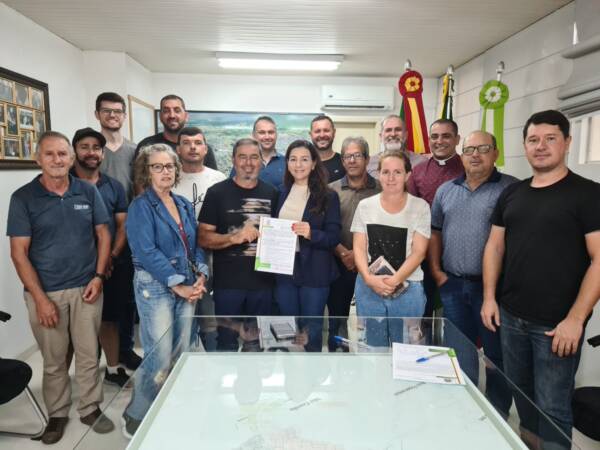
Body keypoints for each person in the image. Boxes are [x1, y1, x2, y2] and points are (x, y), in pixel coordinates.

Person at [482, 110, 600, 445]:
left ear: (567, 142)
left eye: (550, 139)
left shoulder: (588, 194)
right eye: (533, 140)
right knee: (523, 396)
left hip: (556, 325)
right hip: (511, 317)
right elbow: (494, 247)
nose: (541, 146)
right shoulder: (512, 193)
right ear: (525, 146)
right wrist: (489, 297)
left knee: (553, 407)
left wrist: (575, 319)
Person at [7, 131, 114, 444]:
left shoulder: (87, 191)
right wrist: (40, 299)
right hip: (46, 292)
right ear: (38, 159)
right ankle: (57, 413)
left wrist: (98, 277)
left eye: (62, 154)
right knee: (54, 359)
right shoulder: (23, 198)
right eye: (49, 154)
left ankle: (90, 407)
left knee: (88, 353)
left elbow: (104, 234)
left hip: (87, 288)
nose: (57, 160)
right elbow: (18, 253)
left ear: (71, 158)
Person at [122, 143, 208, 438]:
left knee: (182, 350)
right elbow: (145, 251)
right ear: (146, 172)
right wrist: (178, 285)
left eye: (169, 166)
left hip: (187, 283)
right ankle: (137, 413)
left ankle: (171, 404)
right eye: (157, 167)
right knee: (158, 355)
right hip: (155, 287)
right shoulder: (140, 207)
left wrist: (201, 275)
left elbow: (195, 245)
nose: (165, 172)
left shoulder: (182, 203)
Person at [429, 130, 517, 415]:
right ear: (461, 155)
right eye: (469, 150)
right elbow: (435, 233)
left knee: (496, 355)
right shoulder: (446, 191)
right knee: (458, 350)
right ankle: (463, 408)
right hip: (453, 284)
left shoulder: (511, 189)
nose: (475, 155)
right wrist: (437, 271)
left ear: (496, 153)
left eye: (483, 149)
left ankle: (497, 412)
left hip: (492, 290)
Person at [198, 138, 278, 350]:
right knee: (226, 343)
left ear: (261, 161)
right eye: (242, 157)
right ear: (233, 160)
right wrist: (234, 237)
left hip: (263, 284)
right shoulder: (216, 193)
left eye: (254, 157)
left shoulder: (272, 193)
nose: (248, 163)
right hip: (228, 285)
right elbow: (203, 238)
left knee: (258, 344)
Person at [71, 127, 131, 387]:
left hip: (111, 265)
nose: (91, 152)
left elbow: (122, 226)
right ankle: (85, 374)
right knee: (77, 325)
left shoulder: (113, 186)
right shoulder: (64, 184)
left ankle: (113, 369)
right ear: (74, 151)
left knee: (109, 319)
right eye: (84, 147)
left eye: (96, 148)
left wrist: (110, 258)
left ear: (102, 153)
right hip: (76, 267)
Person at [352, 152, 430, 347]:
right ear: (378, 174)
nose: (391, 178)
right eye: (386, 172)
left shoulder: (420, 207)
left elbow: (419, 252)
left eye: (397, 172)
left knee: (406, 349)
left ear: (407, 175)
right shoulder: (365, 206)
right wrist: (369, 279)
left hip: (408, 287)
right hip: (369, 287)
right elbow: (359, 247)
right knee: (372, 348)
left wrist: (393, 282)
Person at [274, 140, 341, 352]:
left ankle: (311, 369)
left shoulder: (328, 196)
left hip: (315, 271)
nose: (298, 164)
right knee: (288, 326)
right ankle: (291, 369)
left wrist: (312, 233)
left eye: (304, 159)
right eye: (293, 159)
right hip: (284, 270)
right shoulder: (279, 192)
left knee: (311, 329)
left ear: (313, 164)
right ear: (287, 163)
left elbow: (334, 237)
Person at [94, 91, 142, 373]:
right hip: (94, 235)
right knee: (97, 300)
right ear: (97, 114)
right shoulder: (92, 149)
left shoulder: (134, 151)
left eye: (117, 111)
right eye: (106, 111)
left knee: (126, 299)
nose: (112, 116)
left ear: (124, 116)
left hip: (128, 233)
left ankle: (124, 350)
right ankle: (99, 357)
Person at [172, 126, 226, 350]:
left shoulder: (218, 178)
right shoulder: (170, 177)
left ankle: (211, 356)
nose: (192, 147)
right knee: (182, 314)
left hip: (212, 254)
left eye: (197, 143)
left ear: (205, 148)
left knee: (209, 312)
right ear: (178, 149)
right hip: (178, 256)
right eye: (186, 143)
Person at [408, 119, 465, 319]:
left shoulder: (468, 168)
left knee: (455, 315)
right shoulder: (418, 171)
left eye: (446, 136)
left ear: (457, 139)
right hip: (422, 253)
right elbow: (410, 211)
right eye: (434, 136)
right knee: (422, 311)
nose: (439, 141)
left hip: (457, 254)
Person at [327, 136, 380, 351]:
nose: (352, 160)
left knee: (371, 324)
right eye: (347, 156)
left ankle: (368, 363)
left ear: (367, 159)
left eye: (357, 155)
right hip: (338, 265)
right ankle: (337, 361)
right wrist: (342, 253)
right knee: (337, 322)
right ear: (342, 161)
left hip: (372, 267)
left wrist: (360, 256)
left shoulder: (381, 189)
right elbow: (324, 227)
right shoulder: (330, 190)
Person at [134, 94, 218, 170]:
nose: (172, 115)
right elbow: (138, 179)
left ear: (186, 116)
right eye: (166, 111)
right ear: (160, 116)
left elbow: (213, 179)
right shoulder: (146, 145)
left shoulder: (201, 149)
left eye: (177, 111)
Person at [230, 116, 286, 189]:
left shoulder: (287, 163)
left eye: (271, 132)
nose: (267, 137)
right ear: (253, 135)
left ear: (276, 135)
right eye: (262, 132)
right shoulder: (242, 164)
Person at [309, 114, 345, 182]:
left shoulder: (345, 162)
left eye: (326, 130)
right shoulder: (303, 165)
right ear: (311, 135)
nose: (322, 135)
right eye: (317, 131)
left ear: (334, 133)